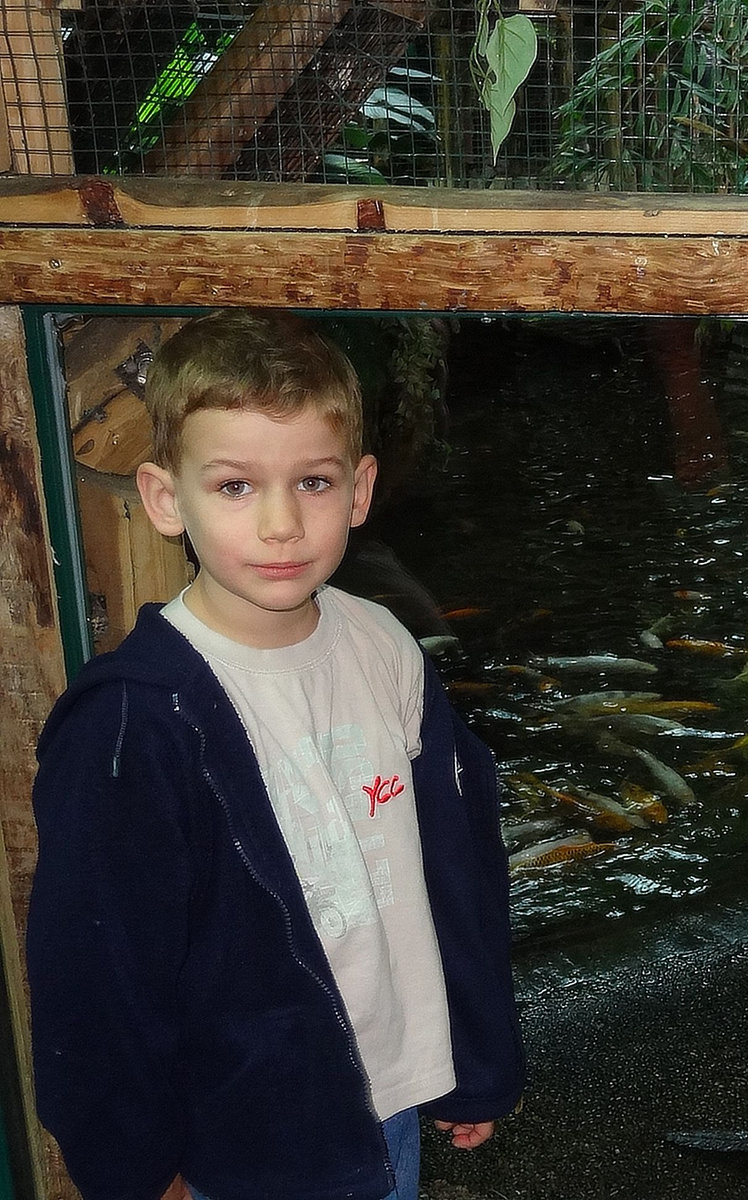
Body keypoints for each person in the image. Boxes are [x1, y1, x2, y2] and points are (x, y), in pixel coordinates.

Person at [28, 309, 524, 1200]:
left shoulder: (383, 647)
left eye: (314, 480)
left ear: (361, 489)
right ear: (164, 497)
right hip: (243, 1138)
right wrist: (138, 1174)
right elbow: (97, 981)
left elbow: (457, 864)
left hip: (392, 1101)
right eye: (234, 487)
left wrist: (475, 1054)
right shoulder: (131, 726)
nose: (282, 523)